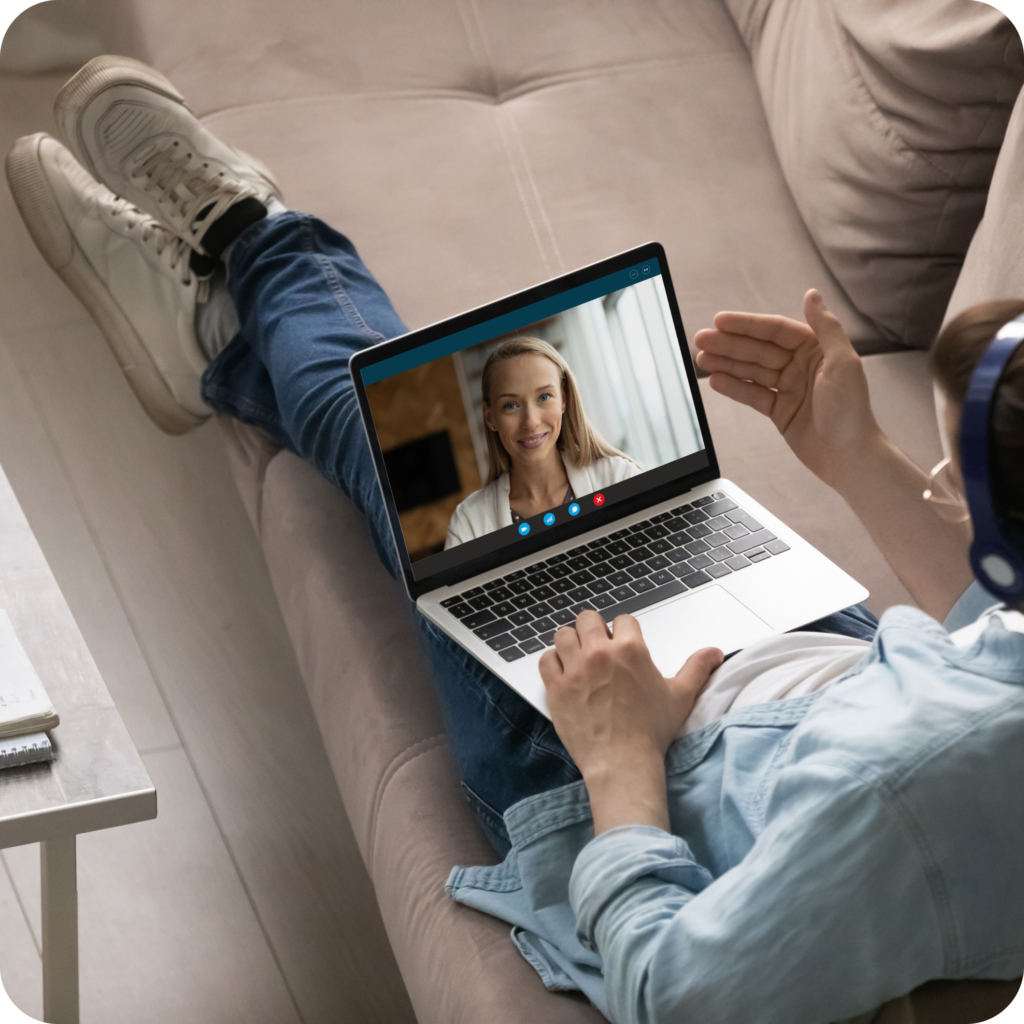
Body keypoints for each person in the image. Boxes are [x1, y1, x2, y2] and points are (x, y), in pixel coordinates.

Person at [8, 55, 1023, 1024]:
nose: (937, 491)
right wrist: (853, 455)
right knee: (451, 473)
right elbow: (991, 632)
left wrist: (620, 755)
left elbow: (679, 991)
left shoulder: (895, 801)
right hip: (814, 666)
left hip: (624, 757)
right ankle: (227, 327)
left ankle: (256, 246)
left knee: (394, 455)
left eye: (952, 488)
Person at [445, 336, 640, 548]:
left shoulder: (618, 477)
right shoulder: (468, 525)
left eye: (544, 397)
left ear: (563, 399)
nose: (531, 422)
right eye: (510, 405)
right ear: (490, 417)